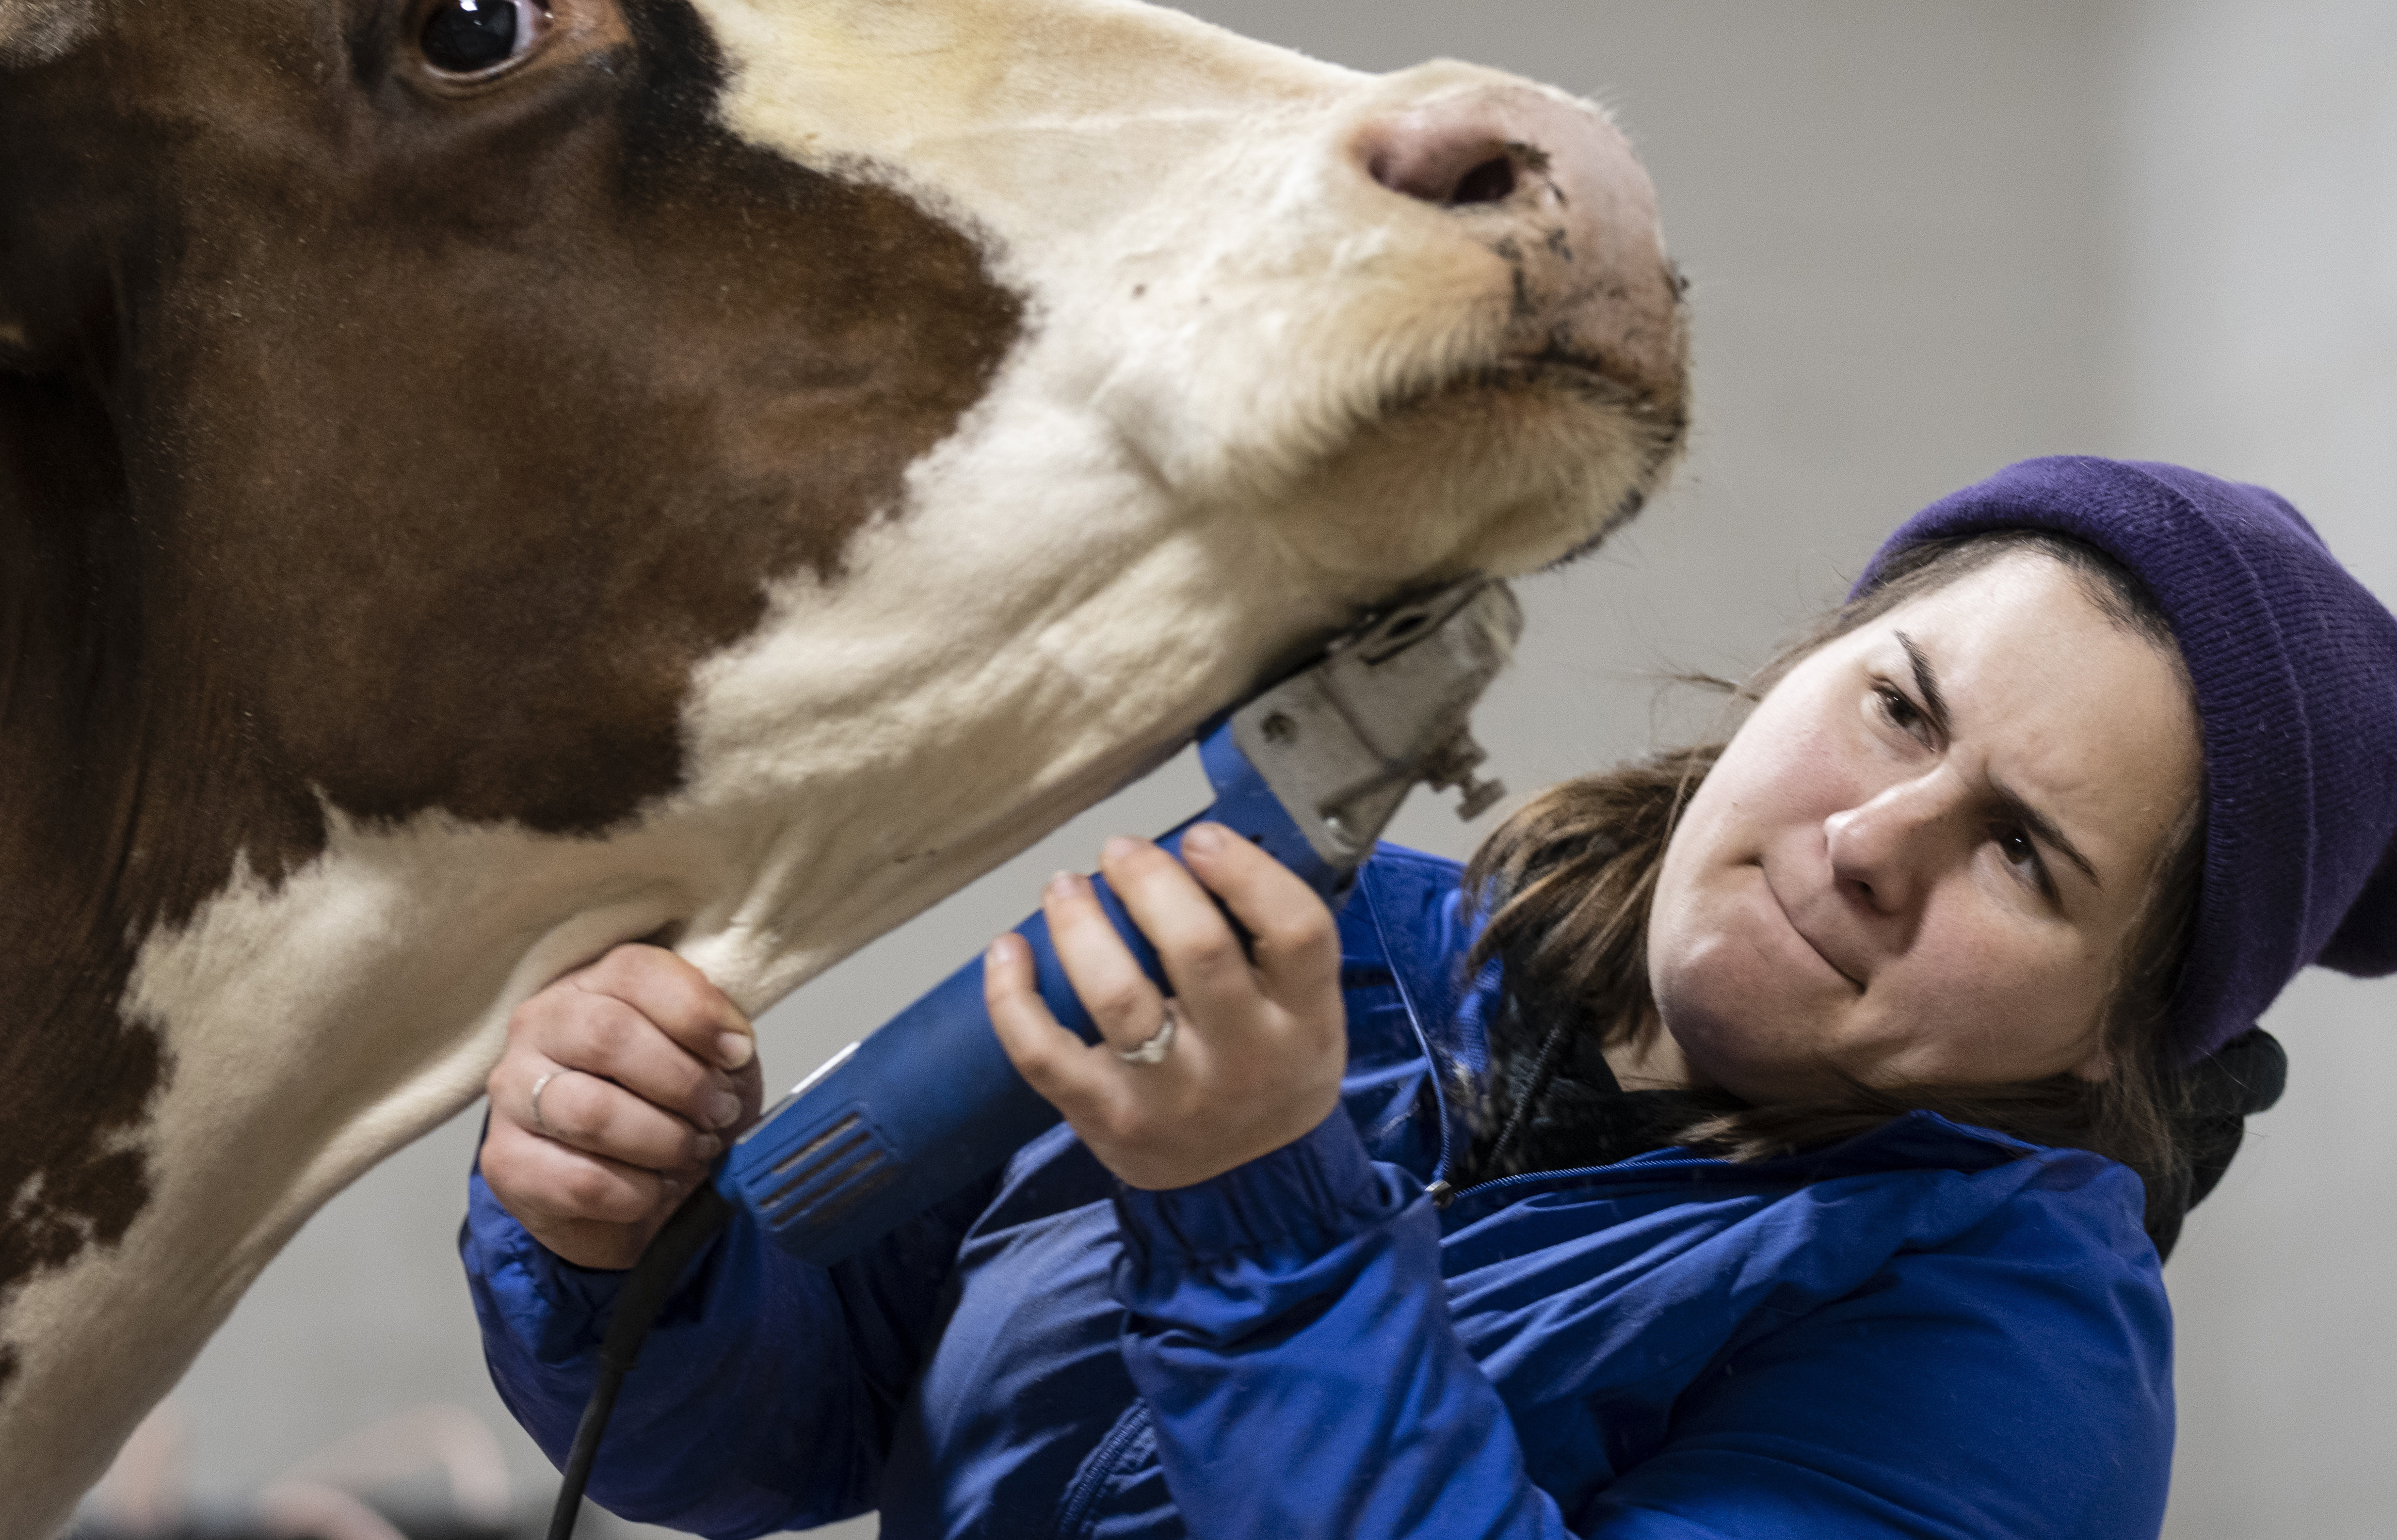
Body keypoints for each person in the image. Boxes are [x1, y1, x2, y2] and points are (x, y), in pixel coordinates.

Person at [463, 456, 2397, 1539]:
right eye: (1897, 705)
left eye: (2027, 856)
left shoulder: (2008, 1361)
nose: (1882, 838)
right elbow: (749, 1436)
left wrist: (1259, 1225)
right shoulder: (1339, 959)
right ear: (1804, 667)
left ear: (2115, 1037)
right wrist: (619, 1227)